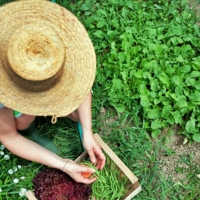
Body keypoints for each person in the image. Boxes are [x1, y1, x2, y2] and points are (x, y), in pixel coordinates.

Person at [0, 0, 105, 184]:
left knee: (74, 112)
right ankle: (29, 128)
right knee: (22, 121)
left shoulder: (51, 38)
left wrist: (88, 132)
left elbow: (81, 87)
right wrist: (62, 164)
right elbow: (9, 136)